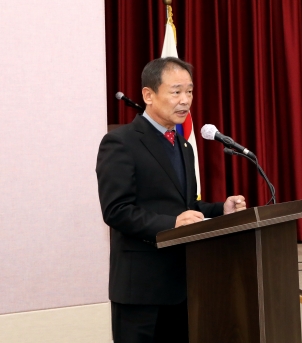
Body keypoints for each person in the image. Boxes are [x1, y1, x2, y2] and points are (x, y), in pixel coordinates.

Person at [96, 57, 246, 343]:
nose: (185, 100)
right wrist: (172, 223)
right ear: (148, 95)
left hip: (182, 285)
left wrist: (221, 209)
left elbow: (186, 207)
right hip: (141, 289)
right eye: (176, 91)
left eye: (189, 91)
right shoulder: (121, 142)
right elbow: (117, 210)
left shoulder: (183, 145)